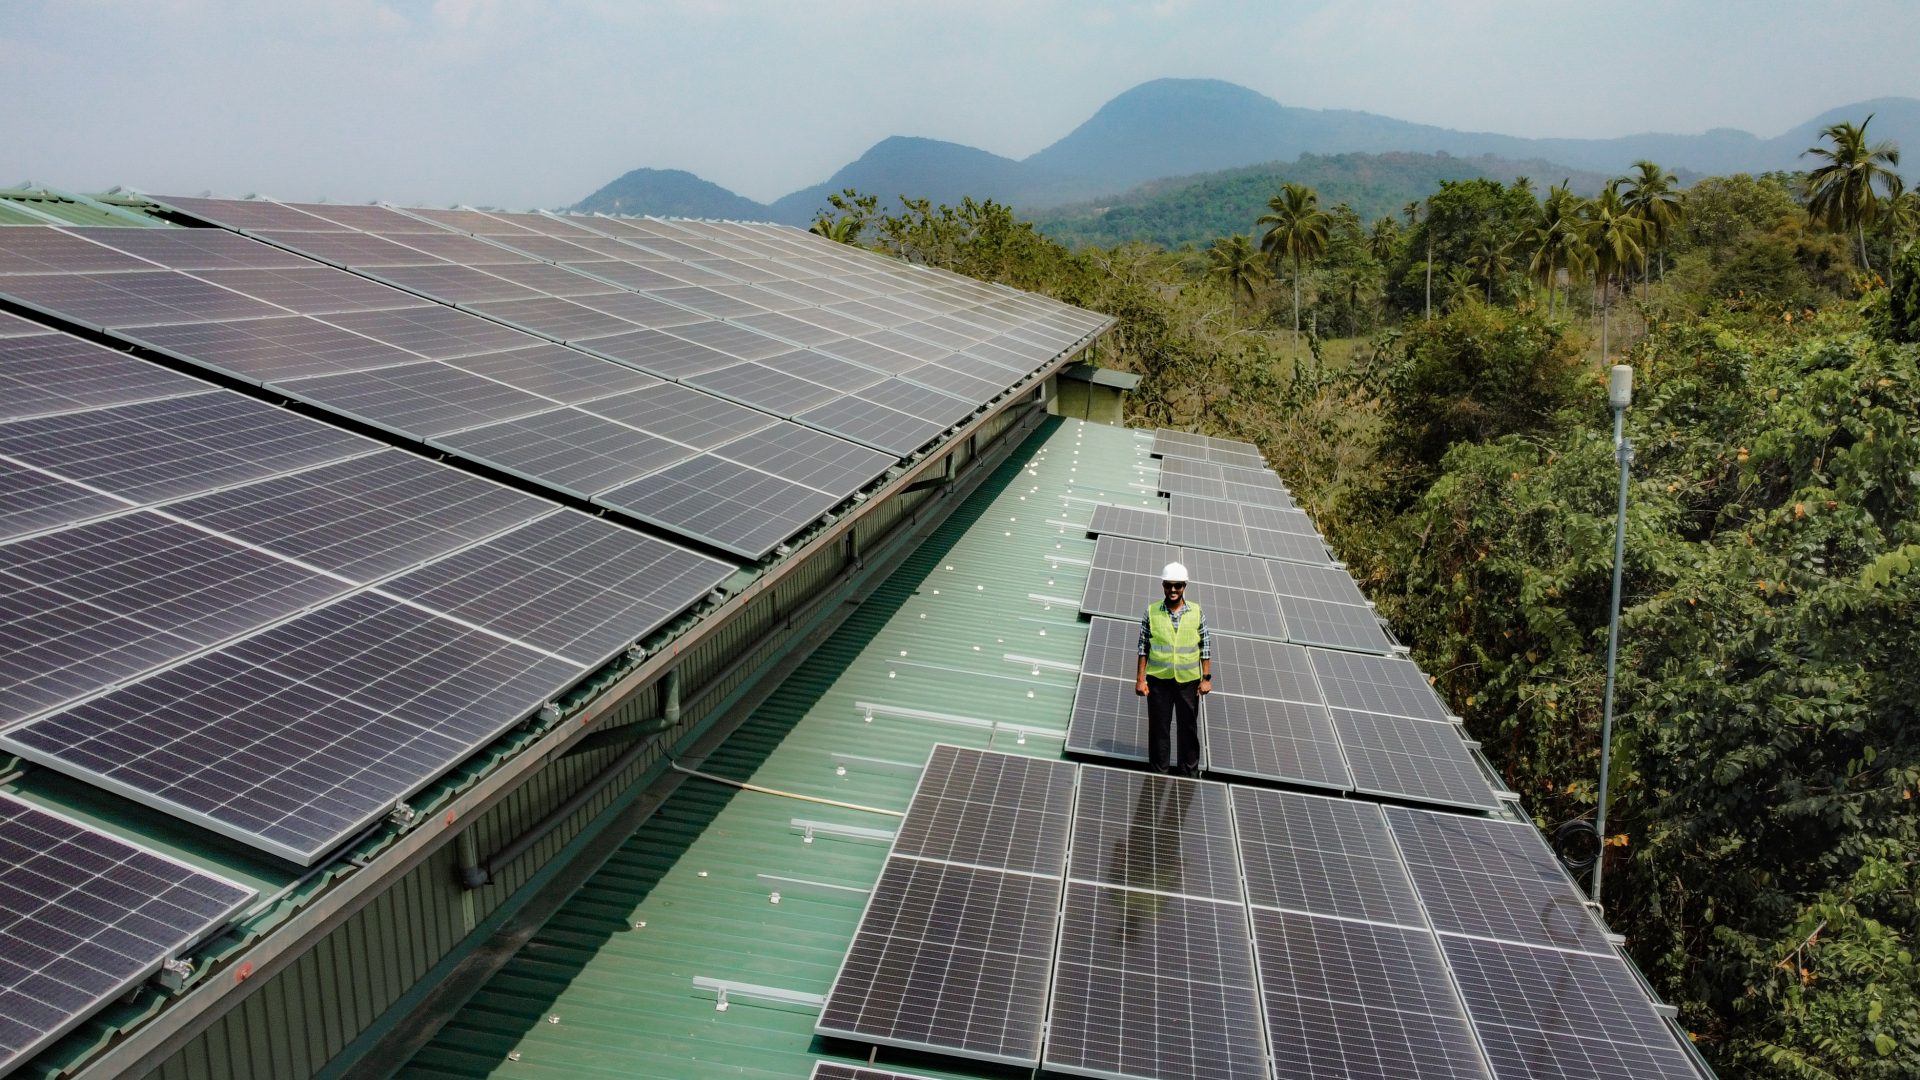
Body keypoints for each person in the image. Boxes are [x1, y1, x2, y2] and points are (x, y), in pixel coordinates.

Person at [1135, 562, 1211, 776]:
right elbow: (1143, 647)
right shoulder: (1152, 612)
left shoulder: (1196, 612)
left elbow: (1205, 646)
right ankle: (1159, 775)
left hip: (1188, 681)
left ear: (1185, 586)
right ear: (1163, 586)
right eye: (1169, 585)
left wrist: (1206, 678)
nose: (1173, 590)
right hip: (1159, 681)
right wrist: (1140, 679)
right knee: (1159, 729)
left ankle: (1189, 775)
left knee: (1188, 728)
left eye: (1178, 586)